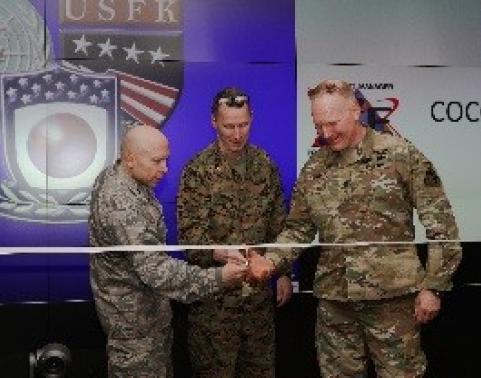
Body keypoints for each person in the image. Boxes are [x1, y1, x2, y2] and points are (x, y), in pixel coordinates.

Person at [248, 80, 462, 377]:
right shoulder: (315, 168)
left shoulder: (400, 155)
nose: (325, 133)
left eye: (332, 123)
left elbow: (442, 226)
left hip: (392, 300)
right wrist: (271, 260)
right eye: (318, 125)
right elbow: (297, 229)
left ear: (356, 109)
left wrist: (434, 287)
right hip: (336, 302)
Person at [89, 125, 247, 377]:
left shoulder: (124, 177)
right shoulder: (120, 202)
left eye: (166, 160)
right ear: (130, 159)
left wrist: (216, 253)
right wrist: (218, 278)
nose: (165, 169)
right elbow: (157, 271)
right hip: (134, 331)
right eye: (157, 161)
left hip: (148, 321)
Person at [177, 87, 292, 377]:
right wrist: (226, 254)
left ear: (252, 118)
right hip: (215, 305)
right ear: (213, 122)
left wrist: (284, 272)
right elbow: (190, 239)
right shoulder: (198, 170)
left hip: (257, 303)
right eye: (229, 126)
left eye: (243, 124)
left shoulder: (265, 166)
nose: (237, 134)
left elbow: (280, 226)